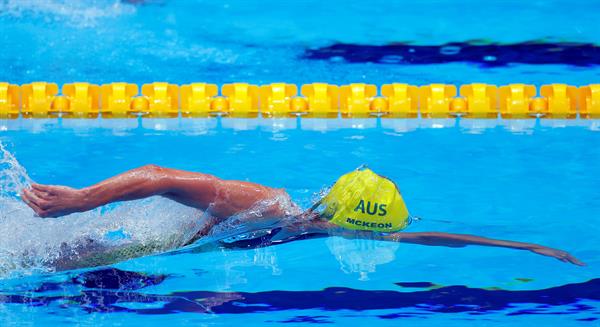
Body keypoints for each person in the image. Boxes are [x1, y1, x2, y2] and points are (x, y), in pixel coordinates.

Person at [21, 165, 584, 266]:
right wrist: (82, 198)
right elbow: (159, 175)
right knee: (50, 265)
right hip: (126, 236)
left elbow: (432, 240)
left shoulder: (317, 222)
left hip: (163, 248)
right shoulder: (267, 206)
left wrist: (521, 248)